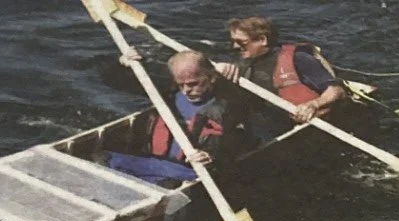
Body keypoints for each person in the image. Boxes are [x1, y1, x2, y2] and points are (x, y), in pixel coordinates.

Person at [103, 50, 232, 185]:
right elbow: (113, 81)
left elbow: (233, 144)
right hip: (155, 162)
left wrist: (210, 156)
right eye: (181, 84)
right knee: (103, 158)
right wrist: (121, 64)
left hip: (188, 171)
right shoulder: (169, 92)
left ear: (211, 78)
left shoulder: (225, 106)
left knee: (168, 185)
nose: (186, 90)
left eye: (193, 83)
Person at [215, 16, 348, 142]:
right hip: (264, 132)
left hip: (303, 131)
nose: (235, 47)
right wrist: (219, 70)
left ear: (262, 40)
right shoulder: (241, 64)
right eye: (233, 42)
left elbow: (336, 91)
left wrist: (313, 105)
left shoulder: (299, 59)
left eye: (241, 42)